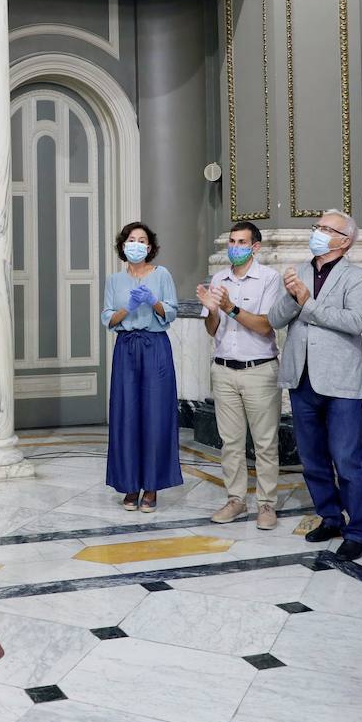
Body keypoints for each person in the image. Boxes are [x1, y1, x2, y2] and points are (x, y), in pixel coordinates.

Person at [268, 209, 362, 561]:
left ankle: (358, 531)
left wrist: (306, 303)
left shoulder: (357, 277)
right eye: (316, 227)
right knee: (312, 459)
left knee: (346, 459)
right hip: (302, 377)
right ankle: (330, 517)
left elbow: (355, 321)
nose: (316, 233)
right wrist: (290, 296)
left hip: (340, 380)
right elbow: (275, 318)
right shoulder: (298, 271)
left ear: (344, 241)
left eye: (325, 229)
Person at [197, 221, 283, 530]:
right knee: (230, 443)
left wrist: (230, 307)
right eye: (232, 241)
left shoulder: (269, 279)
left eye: (241, 242)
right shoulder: (219, 278)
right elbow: (212, 330)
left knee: (264, 442)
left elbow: (265, 326)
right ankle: (236, 500)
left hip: (258, 371)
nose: (235, 246)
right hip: (223, 369)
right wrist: (210, 310)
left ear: (255, 247)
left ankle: (266, 504)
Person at [101, 221, 182, 512]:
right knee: (126, 416)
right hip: (126, 348)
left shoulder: (162, 275)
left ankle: (152, 486)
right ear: (124, 246)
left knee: (155, 416)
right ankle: (130, 485)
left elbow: (172, 311)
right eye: (131, 239)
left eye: (142, 240)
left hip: (155, 348)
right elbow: (108, 318)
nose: (136, 244)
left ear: (149, 247)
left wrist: (153, 301)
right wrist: (129, 309)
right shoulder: (114, 280)